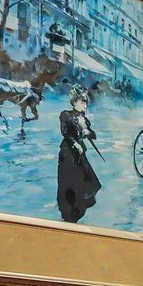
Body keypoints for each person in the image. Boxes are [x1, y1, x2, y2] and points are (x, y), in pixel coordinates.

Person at [56, 87, 101, 223]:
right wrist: (75, 143)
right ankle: (67, 213)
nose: (85, 105)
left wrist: (88, 132)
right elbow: (65, 133)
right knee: (68, 182)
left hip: (80, 155)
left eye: (86, 103)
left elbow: (93, 135)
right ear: (75, 102)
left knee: (85, 181)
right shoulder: (65, 115)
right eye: (82, 102)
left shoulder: (84, 119)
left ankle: (77, 210)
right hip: (68, 153)